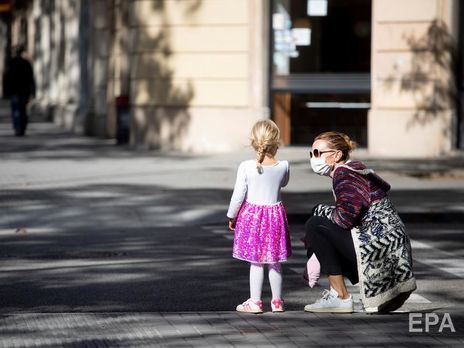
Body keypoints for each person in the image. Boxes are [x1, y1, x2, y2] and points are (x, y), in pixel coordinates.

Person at [303, 131, 416, 313]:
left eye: (317, 153)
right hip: (389, 251)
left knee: (315, 224)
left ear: (337, 155)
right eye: (311, 153)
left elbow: (345, 219)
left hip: (380, 250)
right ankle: (364, 292)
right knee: (320, 222)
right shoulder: (352, 170)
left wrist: (319, 213)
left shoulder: (344, 175)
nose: (313, 158)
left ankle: (340, 296)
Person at [227, 120, 292, 314]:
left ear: (254, 141)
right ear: (276, 141)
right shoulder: (284, 166)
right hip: (275, 216)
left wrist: (232, 216)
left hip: (253, 217)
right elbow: (284, 183)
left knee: (256, 261)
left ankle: (255, 302)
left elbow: (238, 195)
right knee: (274, 260)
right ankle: (277, 301)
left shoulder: (246, 166)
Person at [2, 45, 36, 136]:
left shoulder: (11, 63)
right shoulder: (26, 63)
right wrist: (33, 91)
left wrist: (5, 92)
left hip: (14, 91)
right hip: (24, 91)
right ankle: (22, 128)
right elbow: (31, 78)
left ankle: (17, 127)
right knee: (22, 110)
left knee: (16, 110)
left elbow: (6, 78)